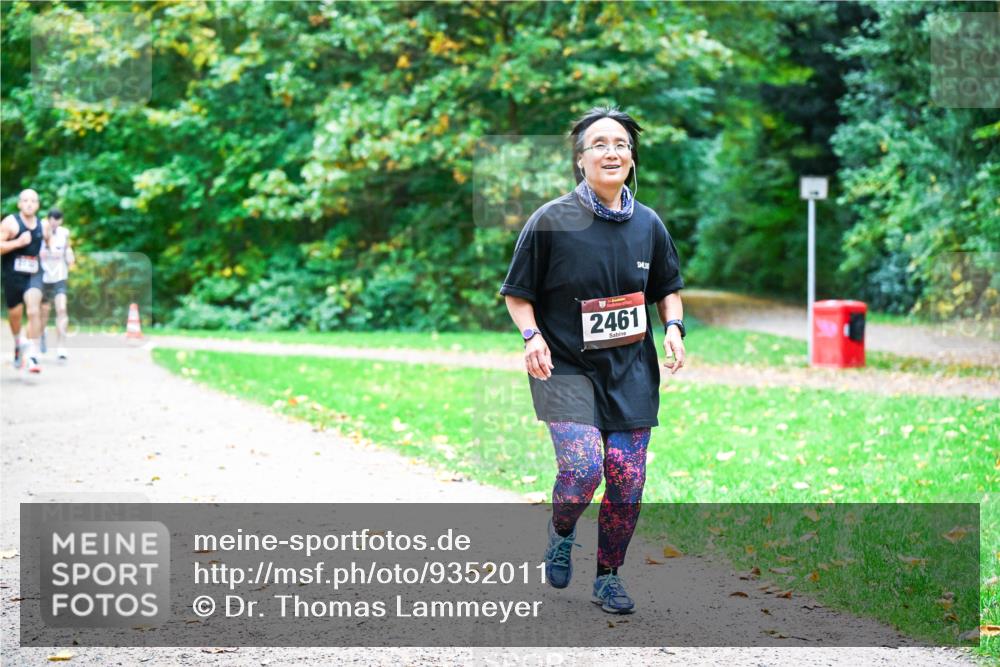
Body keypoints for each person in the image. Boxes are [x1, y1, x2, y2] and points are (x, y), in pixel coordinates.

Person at [499, 107, 686, 614]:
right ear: (581, 160)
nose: (612, 151)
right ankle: (561, 530)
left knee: (627, 477)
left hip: (631, 373)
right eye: (600, 144)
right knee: (583, 469)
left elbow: (668, 289)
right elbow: (517, 293)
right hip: (564, 368)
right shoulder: (551, 221)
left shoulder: (648, 223)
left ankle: (608, 577)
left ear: (631, 157)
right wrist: (532, 336)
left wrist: (673, 327)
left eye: (621, 144)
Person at [0, 189, 50, 373]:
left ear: (37, 205)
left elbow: (49, 242)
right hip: (13, 275)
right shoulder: (11, 223)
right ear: (20, 204)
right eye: (25, 200)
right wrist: (17, 243)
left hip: (34, 274)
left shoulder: (43, 226)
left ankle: (32, 353)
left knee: (33, 310)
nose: (29, 204)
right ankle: (17, 343)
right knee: (15, 314)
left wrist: (49, 252)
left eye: (33, 201)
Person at [40, 207, 74, 361]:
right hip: (44, 276)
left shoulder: (64, 233)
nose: (54, 223)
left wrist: (70, 257)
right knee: (44, 312)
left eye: (57, 219)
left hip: (60, 276)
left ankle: (61, 347)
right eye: (52, 219)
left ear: (61, 220)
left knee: (61, 309)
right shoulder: (40, 229)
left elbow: (68, 249)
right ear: (48, 219)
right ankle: (41, 333)